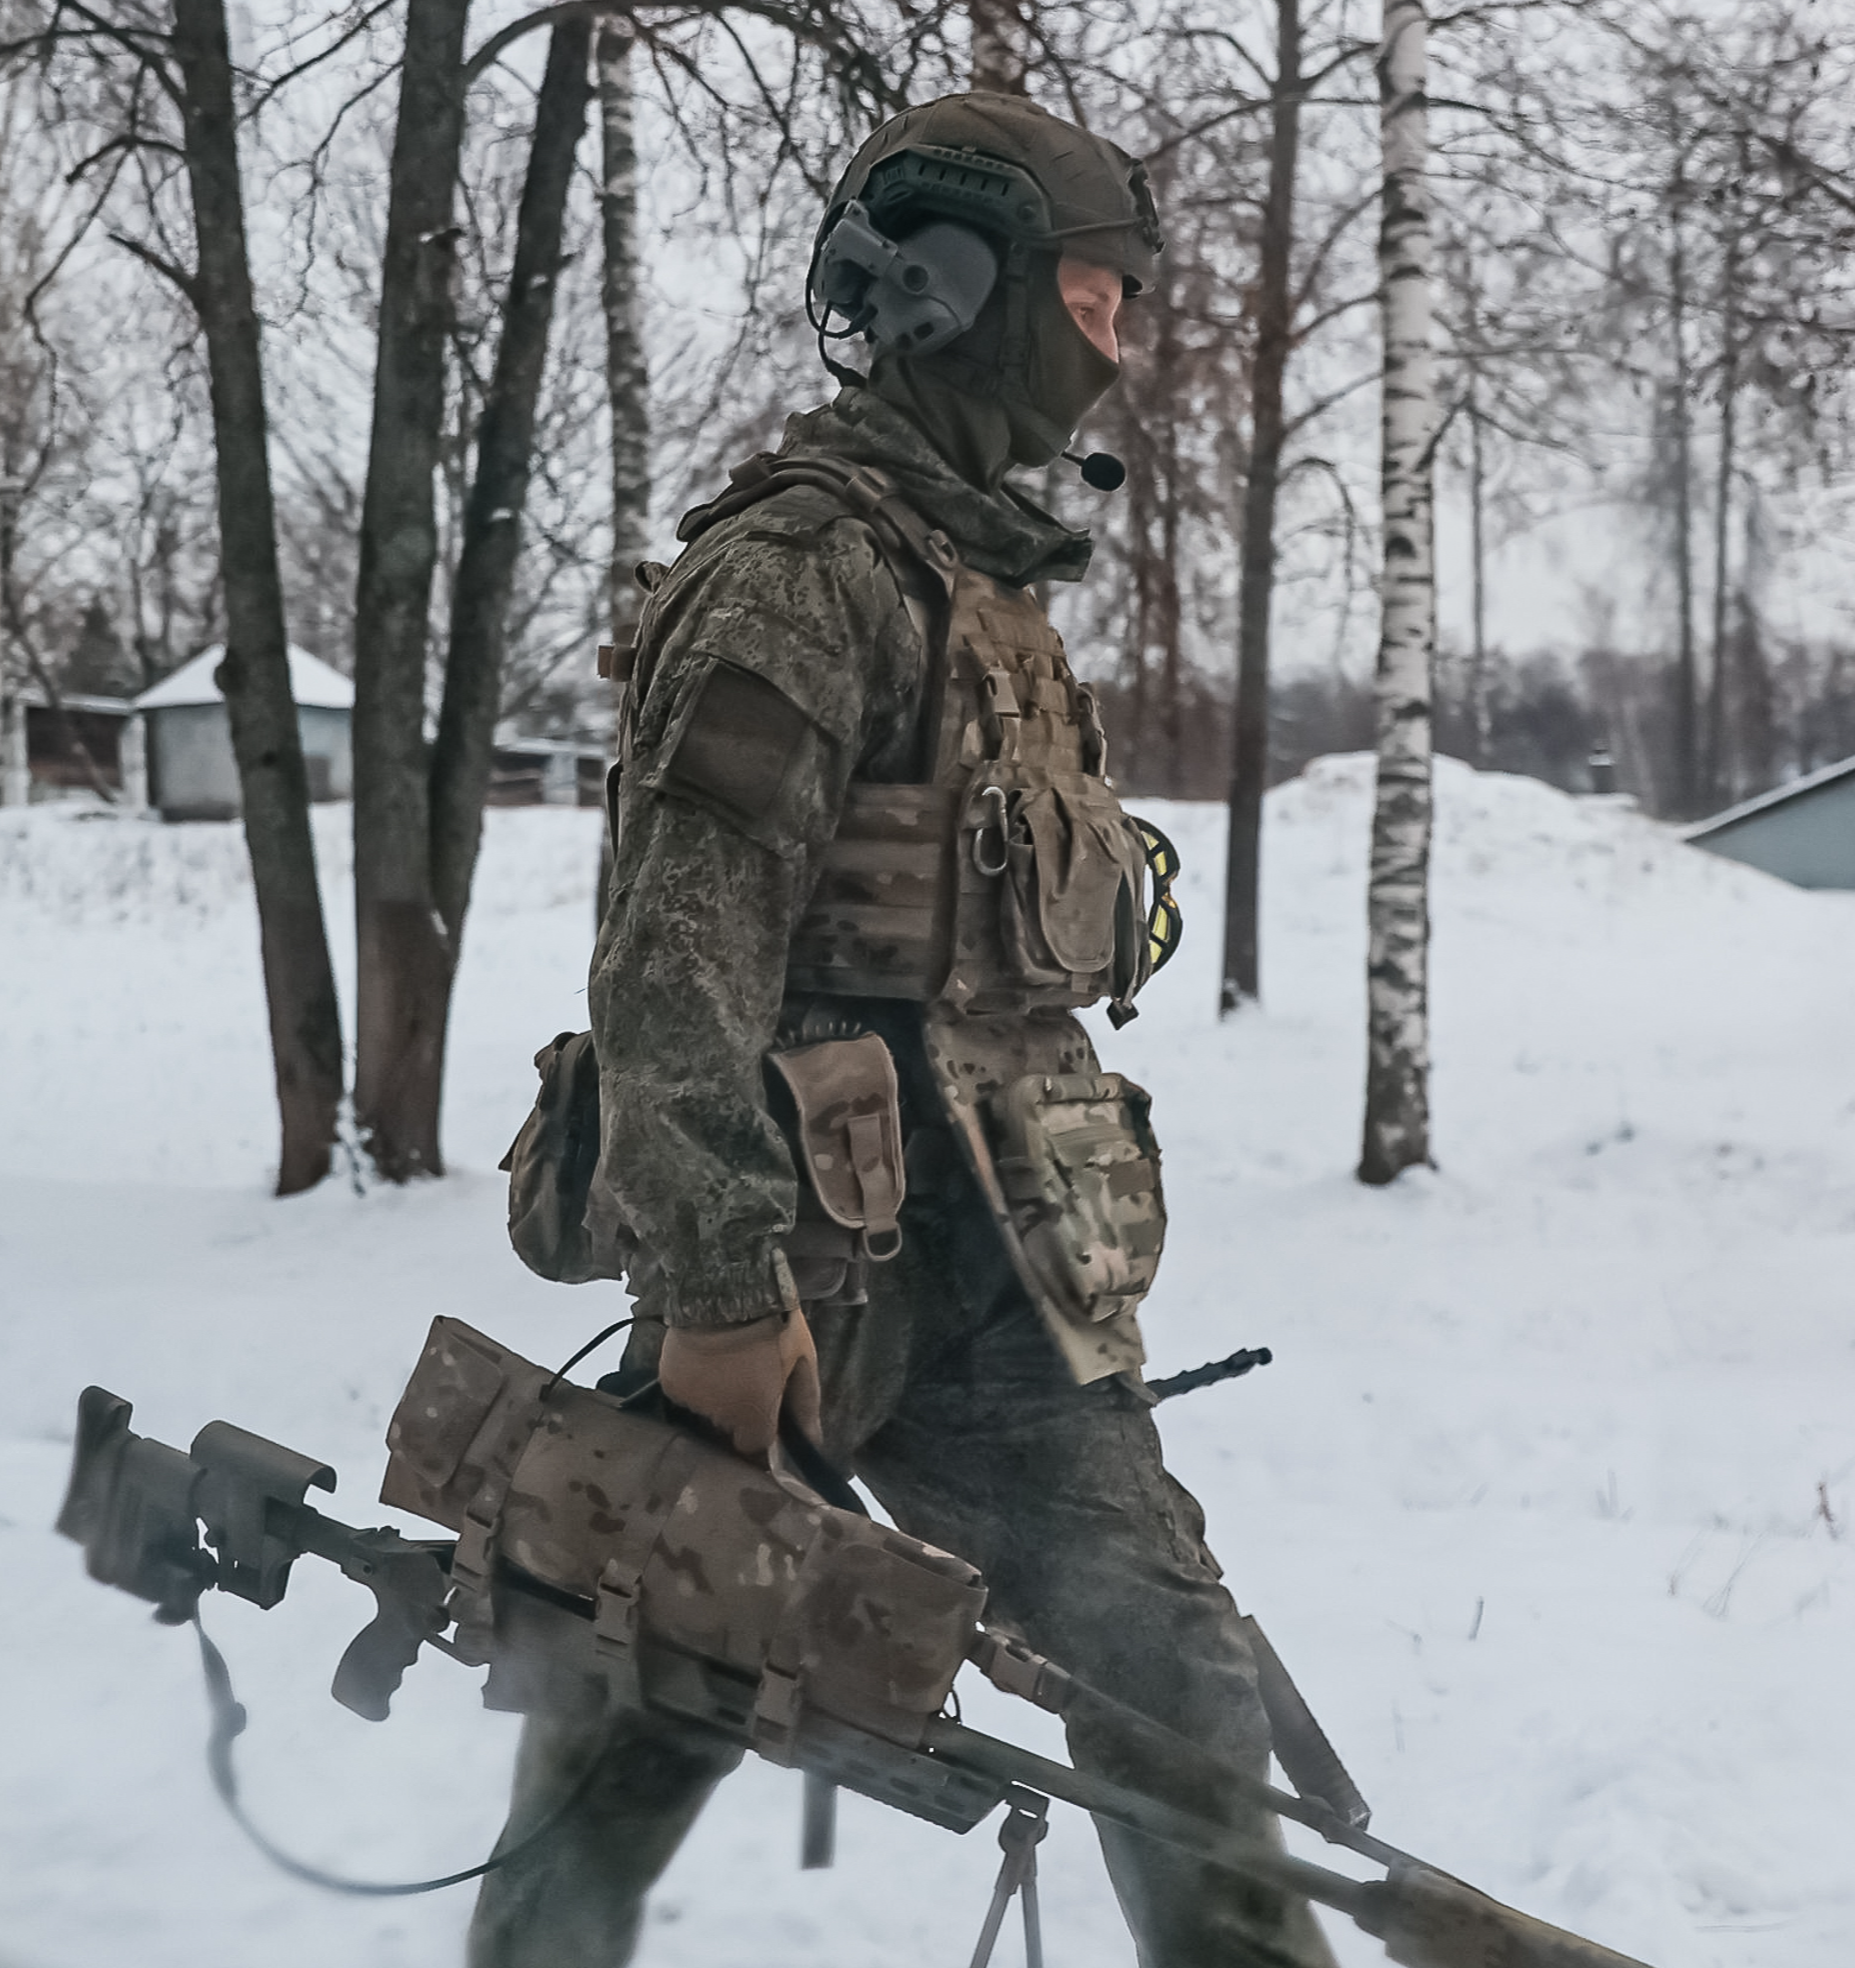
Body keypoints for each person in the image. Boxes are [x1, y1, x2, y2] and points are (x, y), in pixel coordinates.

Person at [467, 91, 1334, 1968]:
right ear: (959, 292)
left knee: (1180, 1688)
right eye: (1093, 301)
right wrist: (710, 1293)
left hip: (1004, 1295)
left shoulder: (986, 597)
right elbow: (671, 957)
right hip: (801, 1281)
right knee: (649, 1707)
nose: (1112, 349)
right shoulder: (803, 570)